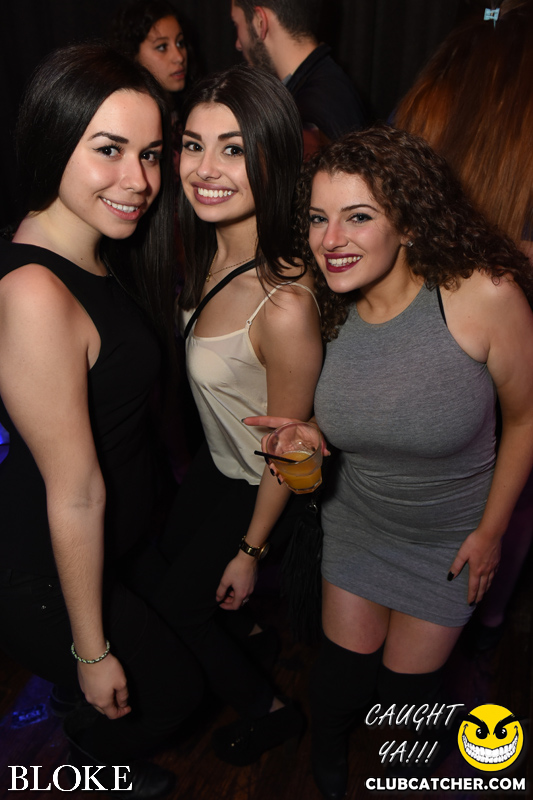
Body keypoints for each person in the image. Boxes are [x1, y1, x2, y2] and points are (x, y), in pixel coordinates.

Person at [246, 124, 533, 799]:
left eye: (357, 216)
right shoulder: (322, 308)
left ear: (406, 222)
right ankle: (325, 752)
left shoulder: (482, 296)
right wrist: (308, 437)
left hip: (448, 541)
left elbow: (525, 419)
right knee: (342, 675)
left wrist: (491, 533)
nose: (330, 239)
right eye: (317, 218)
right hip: (358, 524)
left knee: (407, 698)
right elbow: (361, 415)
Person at [0, 43, 203, 798]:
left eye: (149, 154)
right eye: (109, 150)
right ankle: (75, 767)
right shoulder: (35, 293)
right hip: (41, 573)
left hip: (104, 548)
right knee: (173, 694)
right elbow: (76, 491)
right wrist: (90, 653)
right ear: (54, 140)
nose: (140, 181)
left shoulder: (86, 249)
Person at [150, 64, 323, 765]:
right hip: (216, 468)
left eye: (232, 149)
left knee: (181, 608)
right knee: (167, 577)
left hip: (260, 487)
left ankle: (272, 713)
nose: (204, 169)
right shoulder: (205, 251)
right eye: (193, 145)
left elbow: (292, 452)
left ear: (271, 160)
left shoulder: (283, 303)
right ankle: (250, 639)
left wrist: (251, 553)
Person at [394, 0, 533, 650]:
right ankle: (481, 629)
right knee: (509, 496)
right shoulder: (467, 83)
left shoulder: (447, 81)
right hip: (484, 342)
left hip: (448, 338)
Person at [230, 0, 367, 153]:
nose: (238, 44)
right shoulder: (329, 84)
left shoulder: (305, 118)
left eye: (237, 24)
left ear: (260, 22)